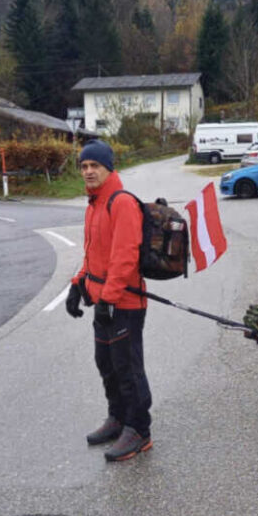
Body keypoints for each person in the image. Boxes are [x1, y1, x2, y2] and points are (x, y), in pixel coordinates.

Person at [65, 139, 153, 462]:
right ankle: (117, 418)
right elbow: (94, 256)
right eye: (84, 166)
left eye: (95, 166)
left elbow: (125, 257)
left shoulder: (121, 203)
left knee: (127, 367)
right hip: (104, 302)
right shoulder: (94, 205)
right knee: (106, 365)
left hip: (125, 304)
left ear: (108, 168)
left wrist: (109, 299)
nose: (88, 171)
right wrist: (77, 285)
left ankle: (139, 429)